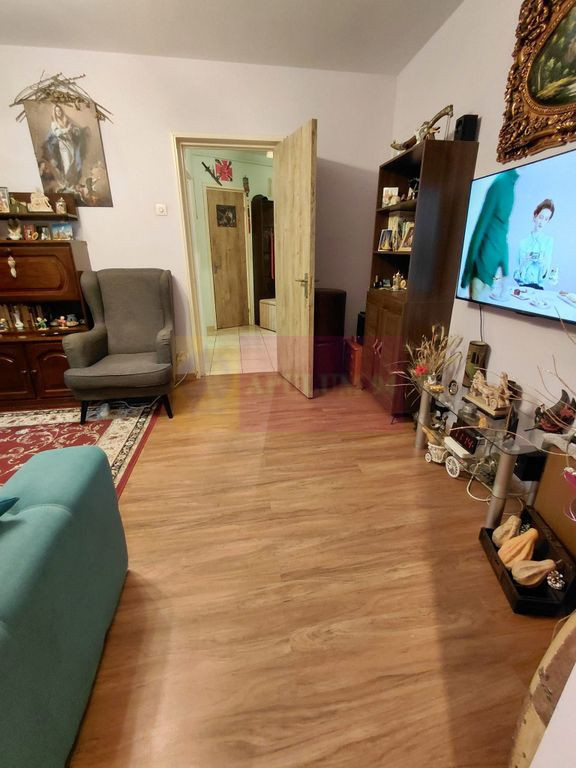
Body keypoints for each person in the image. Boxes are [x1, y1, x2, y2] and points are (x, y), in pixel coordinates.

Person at [460, 169, 519, 301]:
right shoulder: (500, 184)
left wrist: (505, 272)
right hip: (481, 272)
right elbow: (480, 228)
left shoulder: (510, 187)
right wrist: (466, 275)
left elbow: (502, 234)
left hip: (491, 274)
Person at [514, 199, 555, 289]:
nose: (542, 222)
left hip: (539, 289)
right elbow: (516, 276)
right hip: (522, 288)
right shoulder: (523, 242)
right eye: (541, 217)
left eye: (546, 219)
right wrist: (525, 263)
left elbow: (544, 278)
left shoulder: (548, 241)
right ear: (535, 216)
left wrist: (542, 264)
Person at [43, 104, 86, 190]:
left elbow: (73, 130)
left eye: (59, 110)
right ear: (54, 113)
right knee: (67, 164)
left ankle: (72, 183)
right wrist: (67, 129)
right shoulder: (54, 124)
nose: (58, 112)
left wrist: (74, 130)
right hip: (63, 146)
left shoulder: (66, 120)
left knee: (73, 163)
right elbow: (58, 134)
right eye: (56, 111)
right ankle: (67, 184)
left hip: (71, 144)